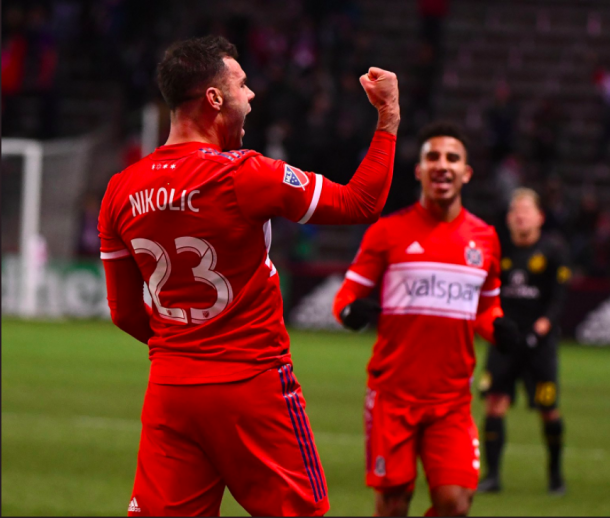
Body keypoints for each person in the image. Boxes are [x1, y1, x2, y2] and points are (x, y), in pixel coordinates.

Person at [98, 35, 399, 517]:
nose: (252, 94)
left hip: (171, 392)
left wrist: (185, 347)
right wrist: (388, 118)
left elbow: (124, 312)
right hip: (252, 386)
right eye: (241, 83)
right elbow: (361, 202)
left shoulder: (119, 190)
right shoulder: (245, 175)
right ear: (215, 99)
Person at [333, 121, 520, 516]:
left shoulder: (484, 238)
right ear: (418, 170)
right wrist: (351, 313)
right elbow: (347, 297)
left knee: (455, 502)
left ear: (466, 173)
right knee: (393, 503)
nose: (442, 165)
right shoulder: (387, 232)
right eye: (432, 157)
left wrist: (498, 329)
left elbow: (487, 308)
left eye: (452, 158)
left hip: (451, 400)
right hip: (392, 398)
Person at [477, 188, 571, 495]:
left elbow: (558, 300)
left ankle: (555, 477)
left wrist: (539, 330)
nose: (520, 216)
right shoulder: (498, 249)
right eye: (515, 211)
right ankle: (492, 477)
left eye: (526, 210)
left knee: (548, 408)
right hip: (504, 342)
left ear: (540, 217)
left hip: (539, 346)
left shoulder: (553, 250)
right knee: (495, 404)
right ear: (508, 218)